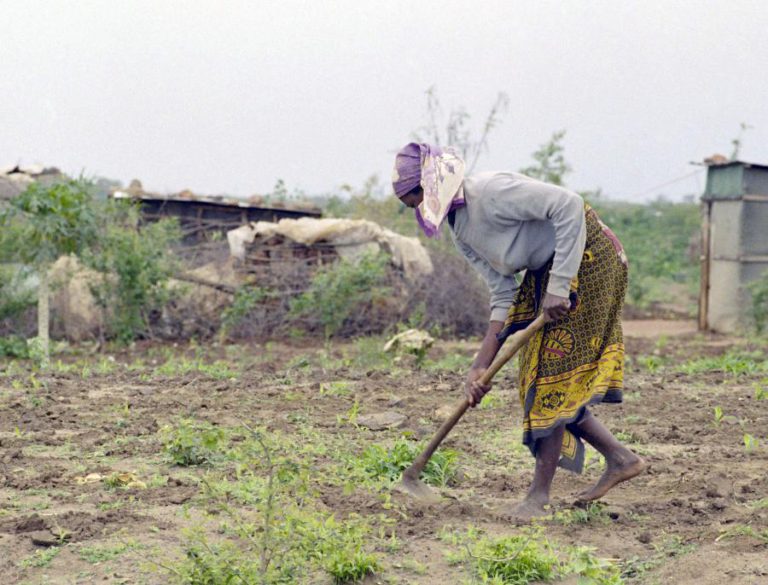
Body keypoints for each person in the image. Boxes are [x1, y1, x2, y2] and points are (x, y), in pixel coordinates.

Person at [392, 142, 646, 520]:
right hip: (544, 271)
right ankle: (620, 458)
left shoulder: (493, 192)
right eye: (411, 204)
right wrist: (479, 367)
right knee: (533, 379)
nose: (416, 207)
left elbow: (569, 205)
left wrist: (560, 286)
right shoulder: (459, 228)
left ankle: (538, 498)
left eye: (416, 198)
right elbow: (503, 292)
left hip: (589, 257)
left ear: (431, 184)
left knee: (551, 376)